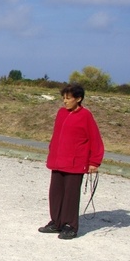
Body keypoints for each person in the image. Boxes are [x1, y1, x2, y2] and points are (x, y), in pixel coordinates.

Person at [38, 82, 104, 240]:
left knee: (70, 196)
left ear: (78, 98)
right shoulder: (61, 113)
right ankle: (56, 222)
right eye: (63, 98)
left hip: (75, 162)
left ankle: (70, 226)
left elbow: (95, 139)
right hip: (57, 161)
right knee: (55, 193)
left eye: (68, 98)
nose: (65, 101)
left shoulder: (86, 115)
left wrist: (94, 161)